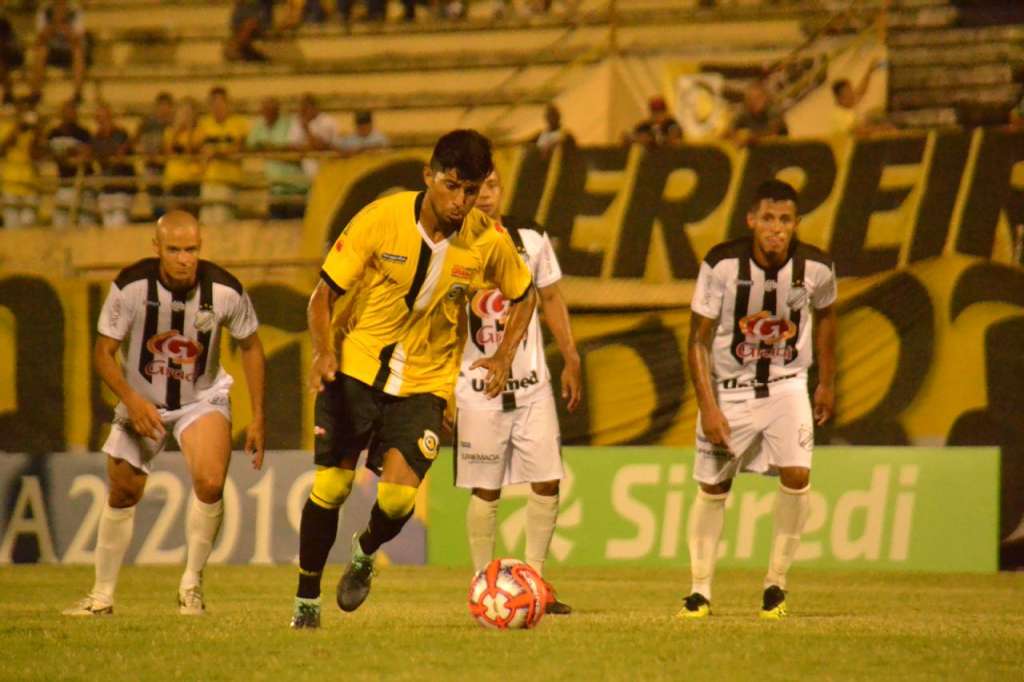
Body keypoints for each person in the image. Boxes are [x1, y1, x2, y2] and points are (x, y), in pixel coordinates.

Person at [291, 129, 537, 629]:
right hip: (356, 368)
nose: (461, 201)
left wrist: (504, 356)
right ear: (429, 176)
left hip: (426, 381)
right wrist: (322, 350)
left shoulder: (487, 239)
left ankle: (365, 552)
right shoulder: (380, 218)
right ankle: (306, 600)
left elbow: (525, 294)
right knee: (332, 486)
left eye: (472, 190)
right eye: (452, 186)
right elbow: (323, 295)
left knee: (398, 498)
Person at [62, 210, 266, 617]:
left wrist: (259, 415)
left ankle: (191, 586)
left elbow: (252, 345)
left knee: (211, 481)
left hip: (201, 398)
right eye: (174, 249)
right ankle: (101, 596)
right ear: (156, 247)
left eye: (191, 249)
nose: (184, 259)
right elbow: (103, 352)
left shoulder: (225, 290)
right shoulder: (131, 286)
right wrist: (131, 399)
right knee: (123, 491)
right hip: (141, 397)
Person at [679, 179, 837, 620]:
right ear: (751, 220)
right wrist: (709, 407)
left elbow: (827, 316)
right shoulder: (722, 265)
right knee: (714, 486)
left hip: (788, 384)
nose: (776, 228)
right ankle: (699, 591)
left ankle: (775, 585)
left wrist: (826, 382)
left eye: (785, 219)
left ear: (796, 223)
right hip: (730, 391)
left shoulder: (817, 268)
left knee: (797, 474)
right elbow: (697, 340)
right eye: (768, 218)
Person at [454, 167, 581, 614]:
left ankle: (535, 582)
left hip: (532, 384)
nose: (485, 195)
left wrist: (571, 357)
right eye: (477, 188)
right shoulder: (453, 243)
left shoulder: (531, 238)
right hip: (477, 387)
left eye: (492, 186)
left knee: (547, 479)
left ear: (502, 189)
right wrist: (444, 384)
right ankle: (483, 586)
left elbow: (552, 298)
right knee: (486, 488)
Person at [196, 86, 249, 225]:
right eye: (213, 103)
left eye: (220, 103)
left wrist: (216, 152)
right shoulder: (204, 124)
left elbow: (238, 147)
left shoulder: (239, 123)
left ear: (227, 103)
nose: (217, 107)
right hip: (208, 181)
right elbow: (199, 148)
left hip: (228, 181)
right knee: (206, 223)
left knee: (224, 222)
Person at [247, 96, 307, 219]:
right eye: (265, 110)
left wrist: (268, 146)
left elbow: (294, 148)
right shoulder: (259, 126)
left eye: (271, 109)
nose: (267, 113)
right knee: (276, 223)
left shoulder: (289, 123)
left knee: (296, 224)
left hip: (294, 188)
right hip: (275, 188)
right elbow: (250, 144)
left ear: (277, 110)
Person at [47, 98, 94, 227]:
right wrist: (70, 157)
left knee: (85, 222)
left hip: (83, 183)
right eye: (67, 111)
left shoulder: (83, 133)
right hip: (65, 183)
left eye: (72, 111)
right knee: (60, 222)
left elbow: (87, 153)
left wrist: (72, 156)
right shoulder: (54, 134)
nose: (70, 115)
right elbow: (54, 155)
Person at [31, 0, 88, 102]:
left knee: (78, 51)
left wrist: (64, 24)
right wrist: (54, 23)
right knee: (41, 51)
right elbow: (40, 39)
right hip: (51, 51)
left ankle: (78, 93)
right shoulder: (44, 10)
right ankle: (36, 92)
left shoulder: (75, 10)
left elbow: (77, 39)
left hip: (69, 50)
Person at [91, 102, 135, 228]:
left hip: (122, 188)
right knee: (107, 225)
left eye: (105, 117)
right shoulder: (97, 137)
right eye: (99, 118)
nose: (103, 121)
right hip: (106, 188)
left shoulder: (121, 134)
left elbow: (121, 152)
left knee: (119, 224)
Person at [1, 103, 43, 229]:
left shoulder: (34, 133)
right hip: (10, 182)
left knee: (28, 222)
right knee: (11, 223)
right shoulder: (5, 128)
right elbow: (2, 149)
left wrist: (35, 134)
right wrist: (16, 131)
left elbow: (36, 155)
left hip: (30, 182)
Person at [134, 92, 175, 219]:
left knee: (169, 198)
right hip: (152, 166)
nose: (164, 109)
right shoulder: (147, 124)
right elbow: (136, 143)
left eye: (167, 106)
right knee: (155, 197)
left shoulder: (174, 125)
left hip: (169, 166)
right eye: (161, 105)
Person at [162, 97, 203, 213]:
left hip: (191, 179)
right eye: (182, 112)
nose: (185, 116)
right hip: (173, 180)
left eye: (188, 112)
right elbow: (167, 152)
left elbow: (190, 152)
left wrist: (189, 131)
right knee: (173, 216)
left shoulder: (199, 132)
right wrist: (177, 131)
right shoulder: (169, 132)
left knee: (190, 217)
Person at [829, 58, 883, 135]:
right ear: (839, 98)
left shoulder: (847, 108)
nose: (852, 96)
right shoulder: (838, 116)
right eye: (848, 94)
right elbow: (857, 131)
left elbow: (860, 91)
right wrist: (877, 128)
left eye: (851, 91)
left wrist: (869, 71)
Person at [729, 80, 788, 146]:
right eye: (750, 99)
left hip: (777, 148)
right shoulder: (745, 112)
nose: (754, 102)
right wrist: (735, 135)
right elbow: (732, 127)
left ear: (765, 98)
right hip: (755, 148)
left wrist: (750, 137)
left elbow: (772, 133)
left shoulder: (774, 111)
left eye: (758, 98)